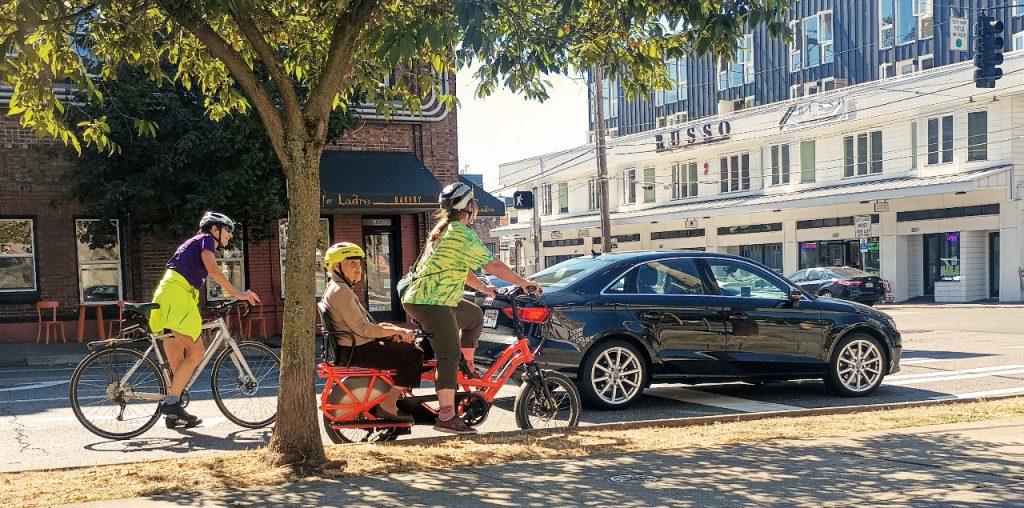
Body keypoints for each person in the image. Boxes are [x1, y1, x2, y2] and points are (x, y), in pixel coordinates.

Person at [402, 181, 540, 435]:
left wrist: (485, 290)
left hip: (428, 297)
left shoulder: (444, 230)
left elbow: (462, 269)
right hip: (431, 301)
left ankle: (466, 365)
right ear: (469, 207)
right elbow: (493, 265)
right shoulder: (461, 233)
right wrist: (523, 282)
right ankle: (447, 416)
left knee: (474, 315)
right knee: (447, 355)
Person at [150, 211, 260, 428]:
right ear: (215, 229)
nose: (229, 236)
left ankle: (174, 412)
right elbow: (213, 270)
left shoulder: (194, 242)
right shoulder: (205, 239)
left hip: (167, 296)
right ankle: (171, 403)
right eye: (228, 230)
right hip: (178, 297)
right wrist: (238, 294)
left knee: (178, 364)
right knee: (197, 352)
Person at [321, 242, 422, 422]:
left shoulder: (336, 288)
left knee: (403, 347)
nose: (358, 268)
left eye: (359, 264)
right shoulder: (341, 291)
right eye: (351, 263)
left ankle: (396, 392)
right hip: (359, 349)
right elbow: (363, 329)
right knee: (414, 355)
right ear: (337, 266)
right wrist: (397, 330)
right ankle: (389, 405)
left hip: (353, 346)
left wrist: (394, 331)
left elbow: (365, 324)